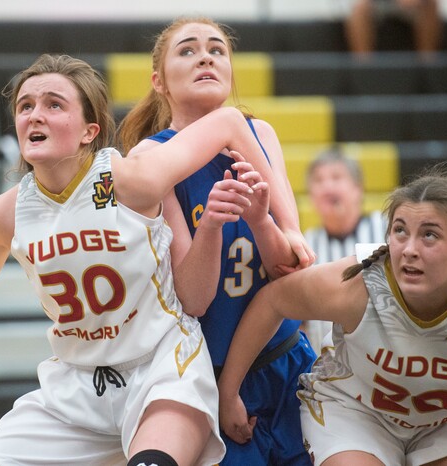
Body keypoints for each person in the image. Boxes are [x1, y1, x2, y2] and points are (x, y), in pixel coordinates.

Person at [0, 54, 297, 466]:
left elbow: (231, 122)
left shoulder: (127, 179)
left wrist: (289, 225)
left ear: (89, 131)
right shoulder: (8, 211)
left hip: (162, 369)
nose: (34, 114)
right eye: (25, 106)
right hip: (77, 385)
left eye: (54, 104)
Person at [219, 165, 447, 465]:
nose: (409, 249)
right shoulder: (358, 284)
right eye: (400, 231)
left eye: (429, 235)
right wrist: (228, 393)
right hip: (357, 413)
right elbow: (272, 301)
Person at [119, 17, 317, 465]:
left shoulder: (261, 134)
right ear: (158, 82)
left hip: (285, 361)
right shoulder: (150, 159)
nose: (205, 56)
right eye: (187, 50)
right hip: (210, 377)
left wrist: (260, 220)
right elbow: (193, 298)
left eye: (217, 49)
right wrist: (209, 226)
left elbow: (293, 265)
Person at [302, 148, 387, 353]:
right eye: (319, 180)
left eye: (336, 177)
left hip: (386, 358)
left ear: (358, 189)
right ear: (311, 195)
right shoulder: (306, 242)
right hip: (327, 369)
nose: (327, 186)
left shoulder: (387, 228)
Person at [342, 0, 443, 59]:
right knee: (359, 8)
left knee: (430, 4)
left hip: (413, 6)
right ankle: (364, 67)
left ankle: (427, 65)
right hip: (376, 4)